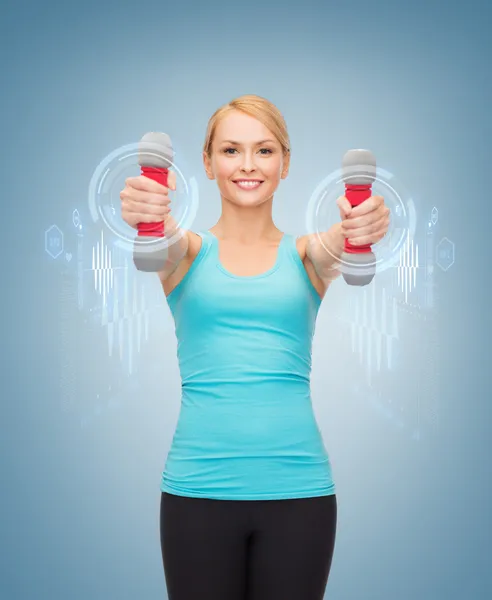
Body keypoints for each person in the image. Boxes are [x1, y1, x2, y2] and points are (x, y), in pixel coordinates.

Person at [120, 94, 390, 600]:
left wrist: (363, 223)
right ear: (207, 162)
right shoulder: (184, 254)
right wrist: (148, 210)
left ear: (285, 163)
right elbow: (166, 238)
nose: (247, 165)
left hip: (301, 496)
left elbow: (343, 237)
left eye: (264, 150)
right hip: (196, 493)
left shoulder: (309, 255)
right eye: (231, 150)